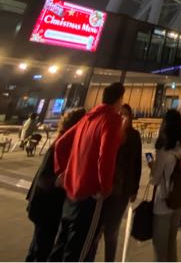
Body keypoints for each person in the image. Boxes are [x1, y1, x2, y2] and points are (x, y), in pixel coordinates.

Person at [49, 82, 125, 262]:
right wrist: (105, 187)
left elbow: (60, 144)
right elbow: (105, 156)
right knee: (81, 251)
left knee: (60, 246)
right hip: (90, 194)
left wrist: (63, 171)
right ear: (119, 99)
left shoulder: (87, 118)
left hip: (71, 192)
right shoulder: (112, 119)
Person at [25, 108, 86, 262]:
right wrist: (57, 180)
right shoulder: (62, 143)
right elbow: (43, 178)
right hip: (46, 205)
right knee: (41, 249)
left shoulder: (65, 142)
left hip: (48, 205)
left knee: (39, 247)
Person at [88, 104, 142, 261]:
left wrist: (134, 189)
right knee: (96, 230)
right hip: (104, 187)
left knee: (112, 230)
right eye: (120, 114)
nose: (123, 117)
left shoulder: (134, 136)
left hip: (122, 190)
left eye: (126, 115)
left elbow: (136, 163)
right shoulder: (110, 133)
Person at [149, 109, 181, 261]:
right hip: (178, 200)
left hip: (164, 201)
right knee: (172, 243)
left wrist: (152, 166)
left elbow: (155, 179)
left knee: (160, 246)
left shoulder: (164, 149)